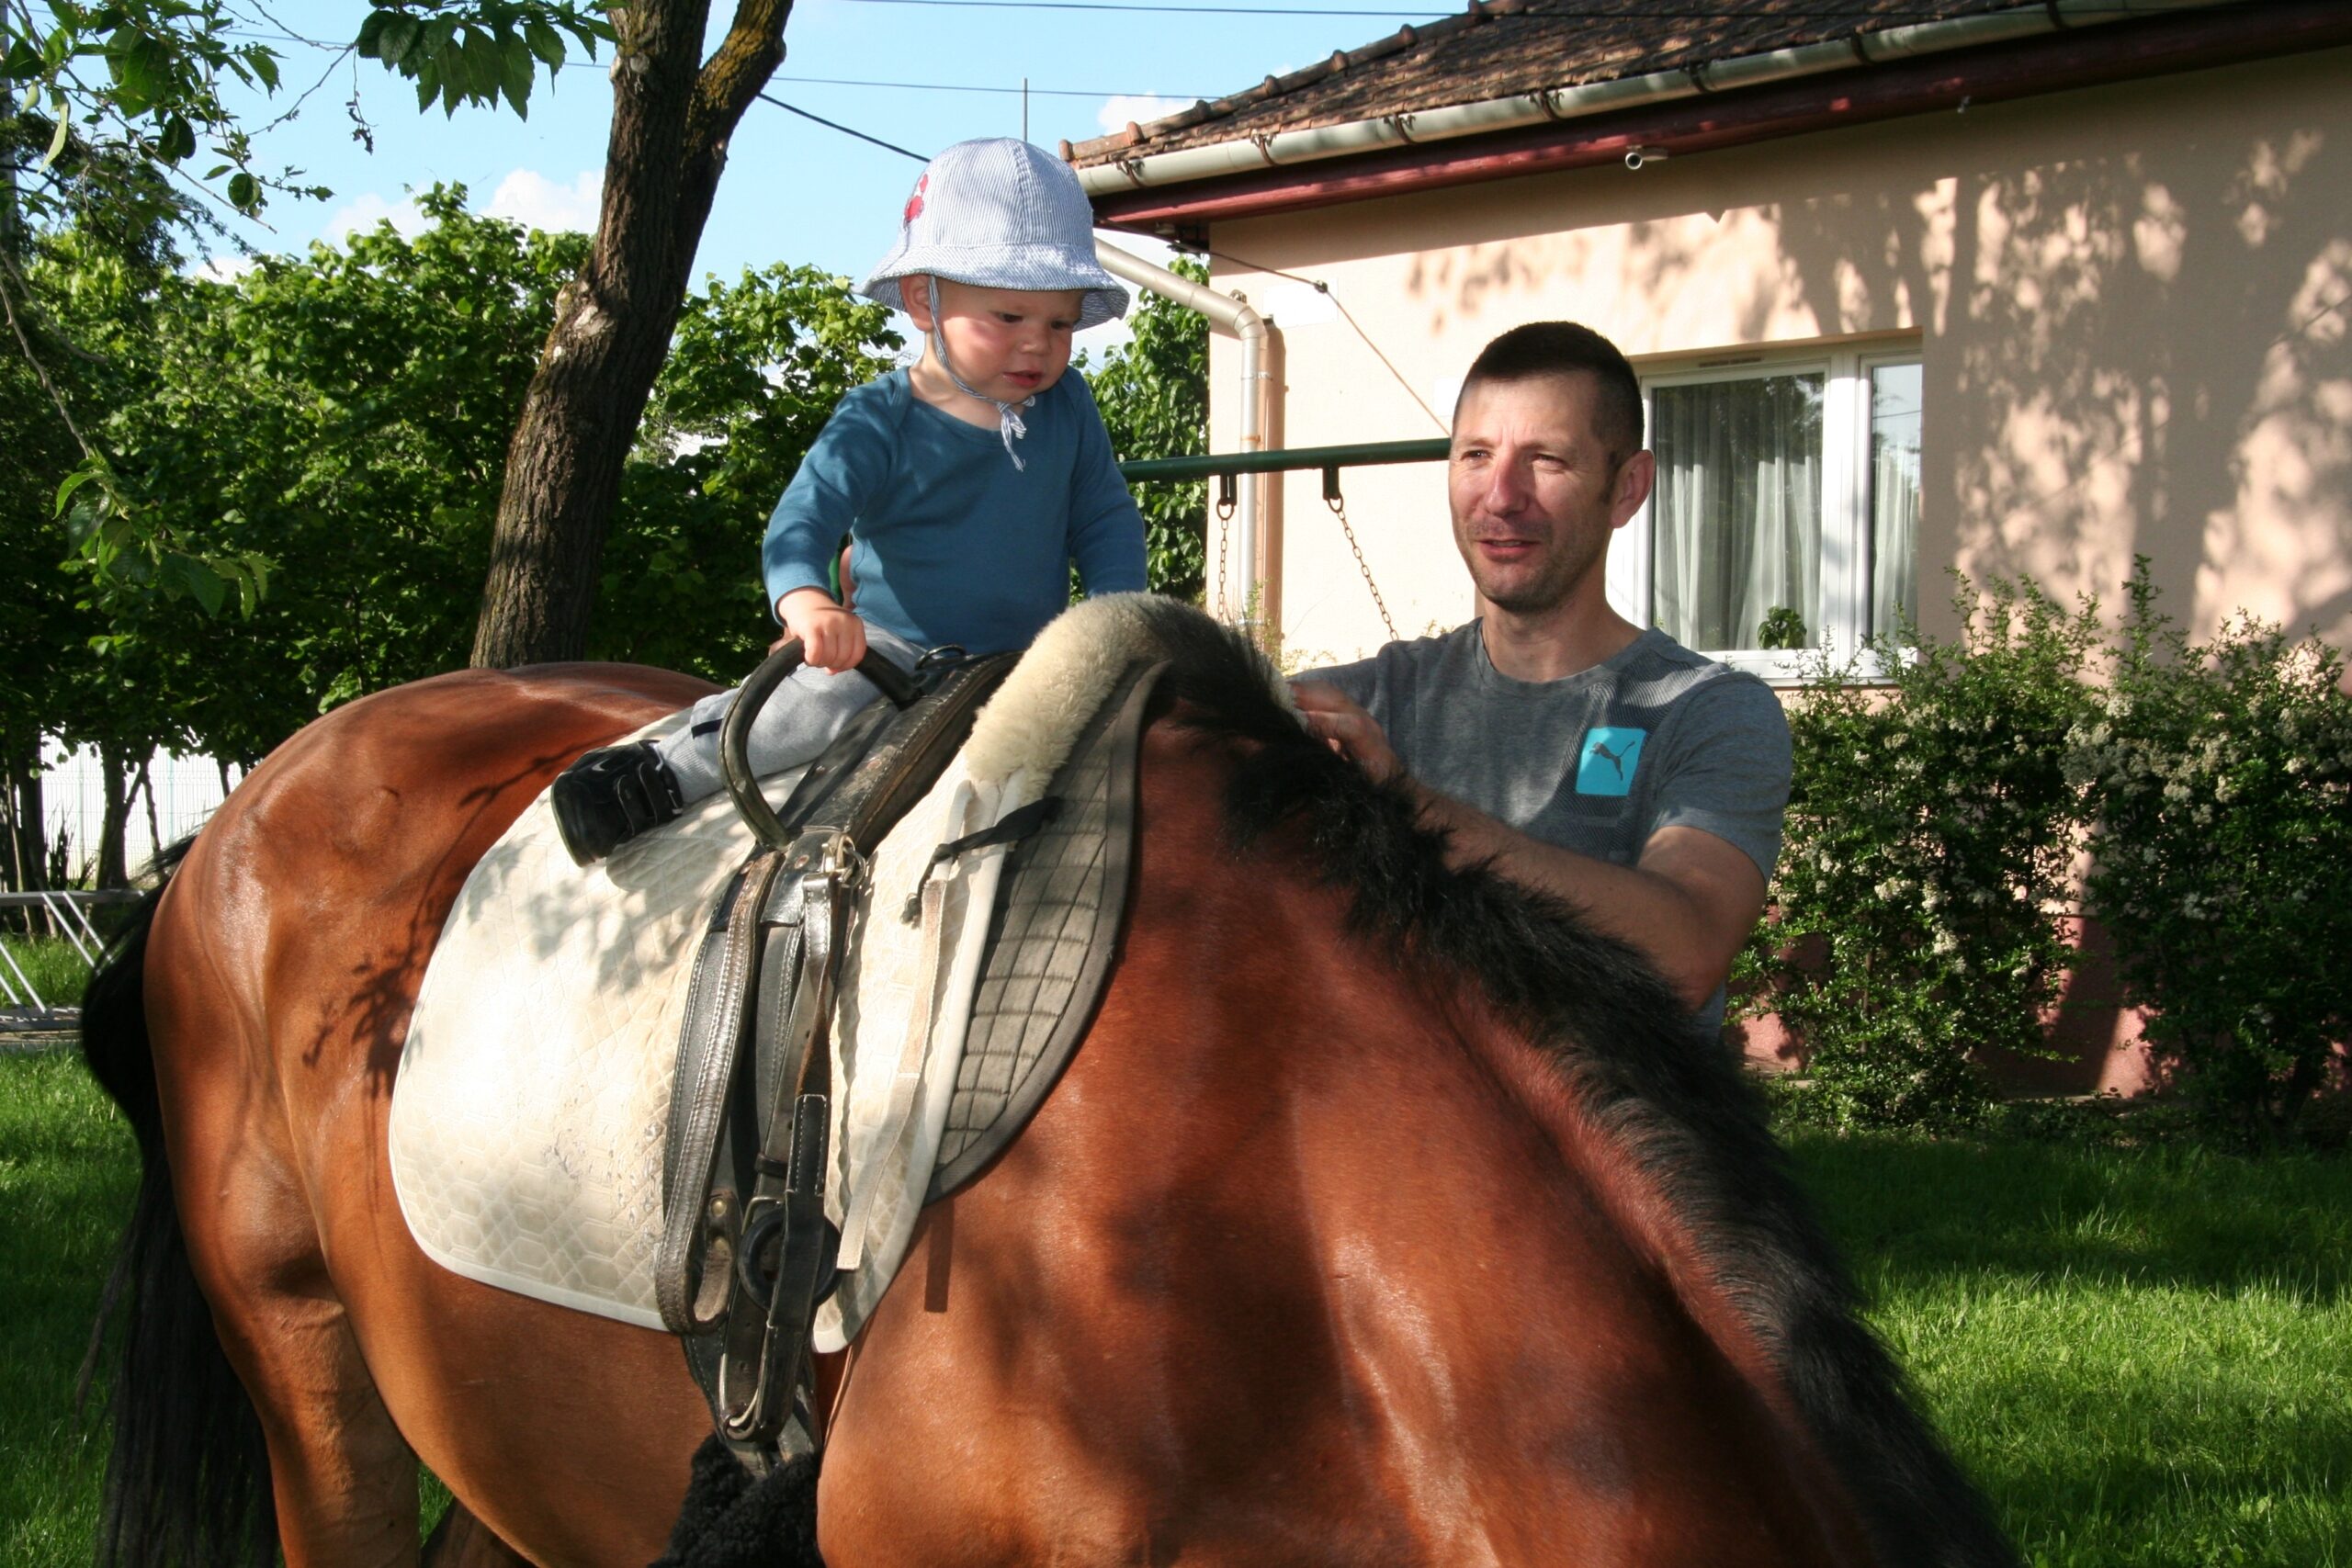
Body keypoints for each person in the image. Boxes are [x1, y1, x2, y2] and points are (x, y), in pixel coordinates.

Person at [553, 138, 1148, 865]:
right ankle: (661, 773)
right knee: (810, 713)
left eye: (1059, 324)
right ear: (922, 299)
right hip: (895, 652)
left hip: (1030, 655)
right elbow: (803, 519)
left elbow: (1104, 517)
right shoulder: (880, 418)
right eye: (1008, 317)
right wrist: (810, 605)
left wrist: (1118, 620)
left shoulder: (1069, 407)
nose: (1039, 345)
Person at [1292, 321, 1791, 1028]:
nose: (1500, 495)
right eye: (1475, 455)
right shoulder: (1378, 700)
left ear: (1626, 488)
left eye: (1547, 460)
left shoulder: (1707, 713)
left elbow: (1686, 953)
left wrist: (1409, 807)